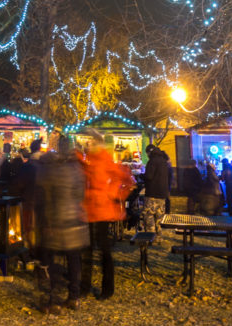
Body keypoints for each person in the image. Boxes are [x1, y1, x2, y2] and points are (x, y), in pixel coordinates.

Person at [36, 134, 88, 313]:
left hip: (57, 219)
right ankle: (74, 297)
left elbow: (47, 196)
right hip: (75, 219)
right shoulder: (77, 169)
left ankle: (53, 300)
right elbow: (81, 194)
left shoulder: (54, 169)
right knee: (73, 261)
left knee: (53, 261)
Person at [82, 131, 135, 301]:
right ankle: (86, 286)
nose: (89, 143)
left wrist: (113, 195)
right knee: (88, 250)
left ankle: (106, 288)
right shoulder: (89, 162)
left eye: (91, 141)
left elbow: (128, 180)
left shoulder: (104, 162)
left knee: (103, 251)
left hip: (101, 211)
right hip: (89, 210)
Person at [141, 145, 170, 234]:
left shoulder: (152, 161)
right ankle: (158, 238)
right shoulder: (164, 160)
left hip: (152, 193)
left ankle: (150, 238)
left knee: (149, 217)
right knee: (159, 219)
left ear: (149, 152)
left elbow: (149, 176)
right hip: (162, 194)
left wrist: (141, 176)